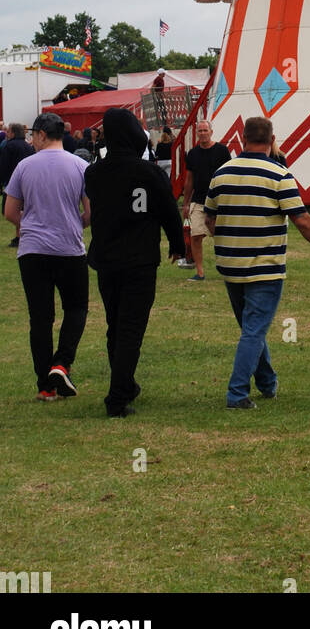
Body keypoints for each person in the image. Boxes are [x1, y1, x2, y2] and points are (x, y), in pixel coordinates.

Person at [203, 115, 310, 410]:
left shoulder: (221, 173)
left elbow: (209, 217)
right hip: (265, 265)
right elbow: (301, 219)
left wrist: (226, 238)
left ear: (242, 139)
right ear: (273, 140)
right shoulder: (279, 175)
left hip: (230, 263)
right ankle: (237, 393)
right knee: (254, 330)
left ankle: (267, 383)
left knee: (251, 328)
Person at [84, 109, 185, 417]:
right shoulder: (150, 173)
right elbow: (168, 210)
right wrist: (177, 244)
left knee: (115, 324)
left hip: (106, 259)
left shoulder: (94, 173)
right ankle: (117, 397)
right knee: (131, 328)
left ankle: (124, 384)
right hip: (140, 260)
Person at [3, 113, 90, 400]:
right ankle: (61, 363)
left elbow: (10, 211)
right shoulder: (80, 166)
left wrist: (27, 224)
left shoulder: (24, 166)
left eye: (33, 136)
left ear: (41, 135)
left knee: (40, 318)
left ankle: (45, 386)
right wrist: (76, 222)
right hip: (69, 249)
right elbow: (90, 212)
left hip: (32, 251)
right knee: (76, 309)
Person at [181, 120, 231, 281]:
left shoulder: (222, 151)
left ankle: (228, 269)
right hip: (198, 200)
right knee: (195, 235)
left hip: (218, 201)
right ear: (197, 133)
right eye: (200, 131)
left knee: (221, 236)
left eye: (205, 130)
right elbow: (189, 180)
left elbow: (229, 175)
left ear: (211, 132)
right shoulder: (193, 154)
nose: (202, 133)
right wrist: (186, 203)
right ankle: (200, 272)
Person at [1, 122, 35, 248]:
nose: (7, 134)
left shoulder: (9, 146)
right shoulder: (28, 146)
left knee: (9, 210)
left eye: (8, 131)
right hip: (28, 183)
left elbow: (4, 166)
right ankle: (20, 235)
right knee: (23, 209)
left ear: (13, 133)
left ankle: (22, 234)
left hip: (13, 183)